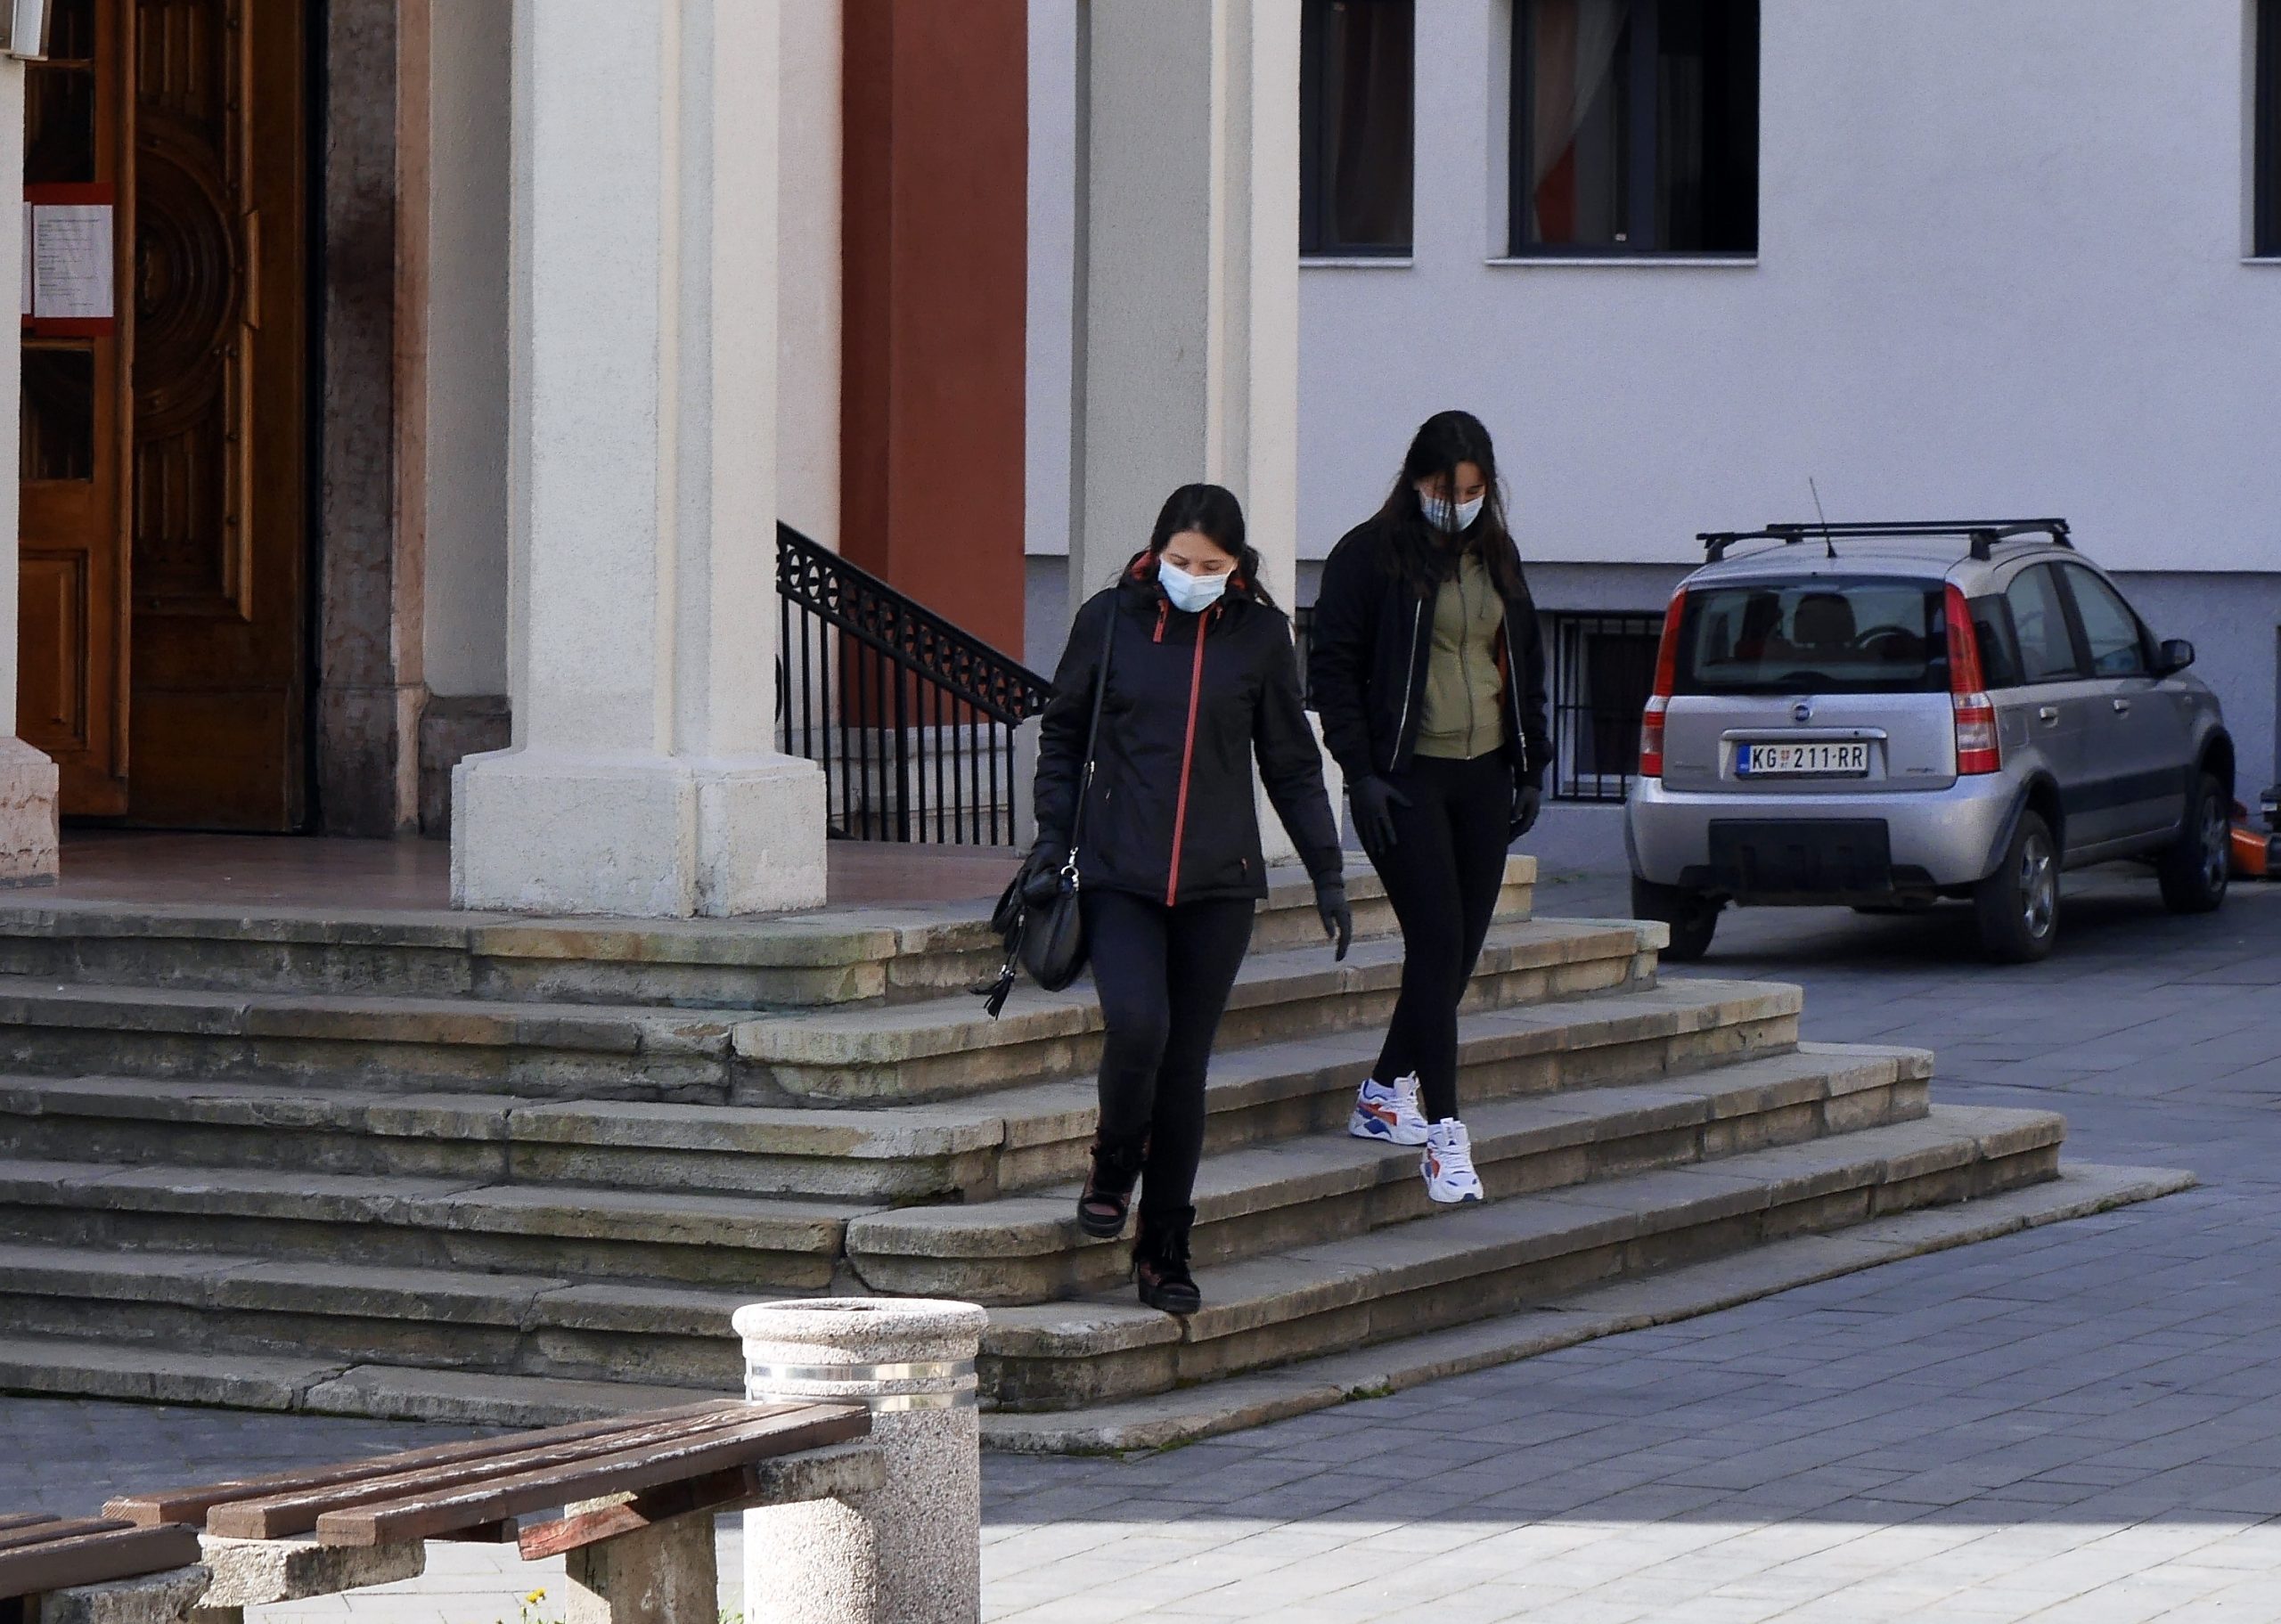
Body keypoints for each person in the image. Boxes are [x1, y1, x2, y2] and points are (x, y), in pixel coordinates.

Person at [1027, 483, 1351, 1314]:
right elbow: (1063, 735)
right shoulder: (1111, 619)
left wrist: (1326, 870)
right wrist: (1053, 839)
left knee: (1185, 1068)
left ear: (1238, 566)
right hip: (1119, 873)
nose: (1193, 575)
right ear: (1155, 552)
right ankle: (1112, 1159)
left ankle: (1164, 1246)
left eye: (1211, 564)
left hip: (1219, 886)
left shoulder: (1259, 637)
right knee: (1139, 1025)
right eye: (1179, 561)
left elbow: (1290, 760)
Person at [1307, 410, 1550, 1204]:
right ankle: (1446, 1134)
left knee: (1458, 950)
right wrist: (1361, 772)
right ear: (1416, 482)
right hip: (1403, 779)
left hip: (1483, 775)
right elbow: (1333, 671)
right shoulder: (1367, 558)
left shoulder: (1497, 556)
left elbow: (1524, 659)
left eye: (1476, 489)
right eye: (1448, 489)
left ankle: (1382, 1093)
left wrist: (1530, 765)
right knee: (1438, 938)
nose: (1461, 502)